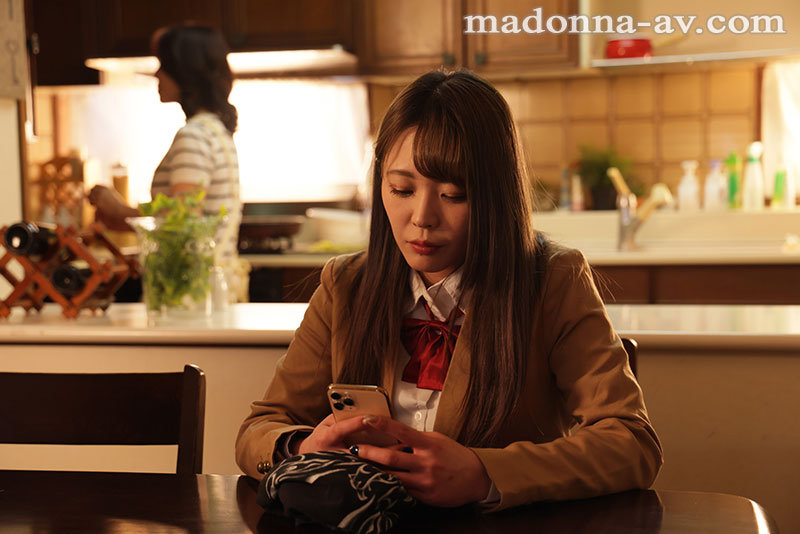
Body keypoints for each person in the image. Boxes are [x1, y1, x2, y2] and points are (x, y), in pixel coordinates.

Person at [235, 70, 662, 511]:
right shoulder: (346, 285)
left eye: (454, 194)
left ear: (496, 196)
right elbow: (260, 428)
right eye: (401, 189)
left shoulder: (552, 280)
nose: (422, 217)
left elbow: (631, 442)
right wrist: (303, 448)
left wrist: (484, 474)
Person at [88, 25, 245, 301]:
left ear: (184, 71)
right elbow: (183, 219)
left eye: (163, 65)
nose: (156, 74)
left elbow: (181, 228)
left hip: (190, 295)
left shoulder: (194, 137)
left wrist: (118, 210)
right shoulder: (215, 131)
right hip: (212, 290)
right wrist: (120, 218)